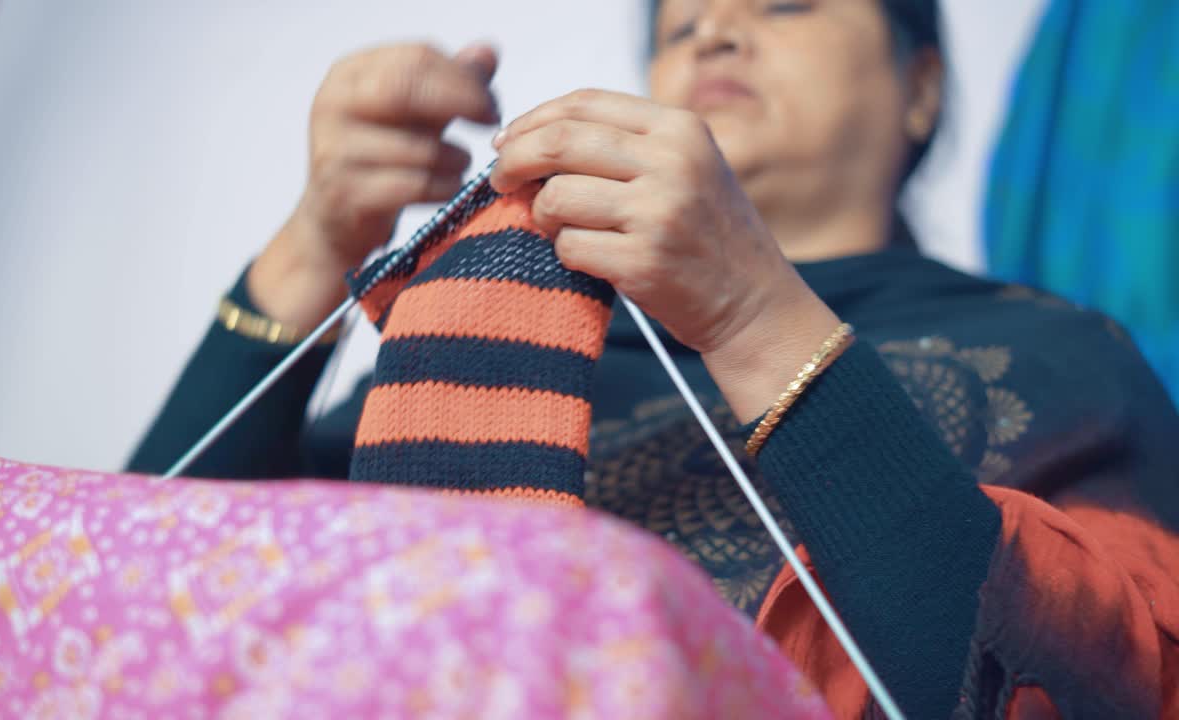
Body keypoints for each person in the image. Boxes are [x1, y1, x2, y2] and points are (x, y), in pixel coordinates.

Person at [129, 1, 1179, 716]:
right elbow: (135, 624)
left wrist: (752, 316)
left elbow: (1109, 687)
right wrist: (314, 244)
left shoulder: (1059, 350)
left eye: (786, 6)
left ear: (920, 86)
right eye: (678, 26)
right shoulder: (508, 335)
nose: (713, 28)